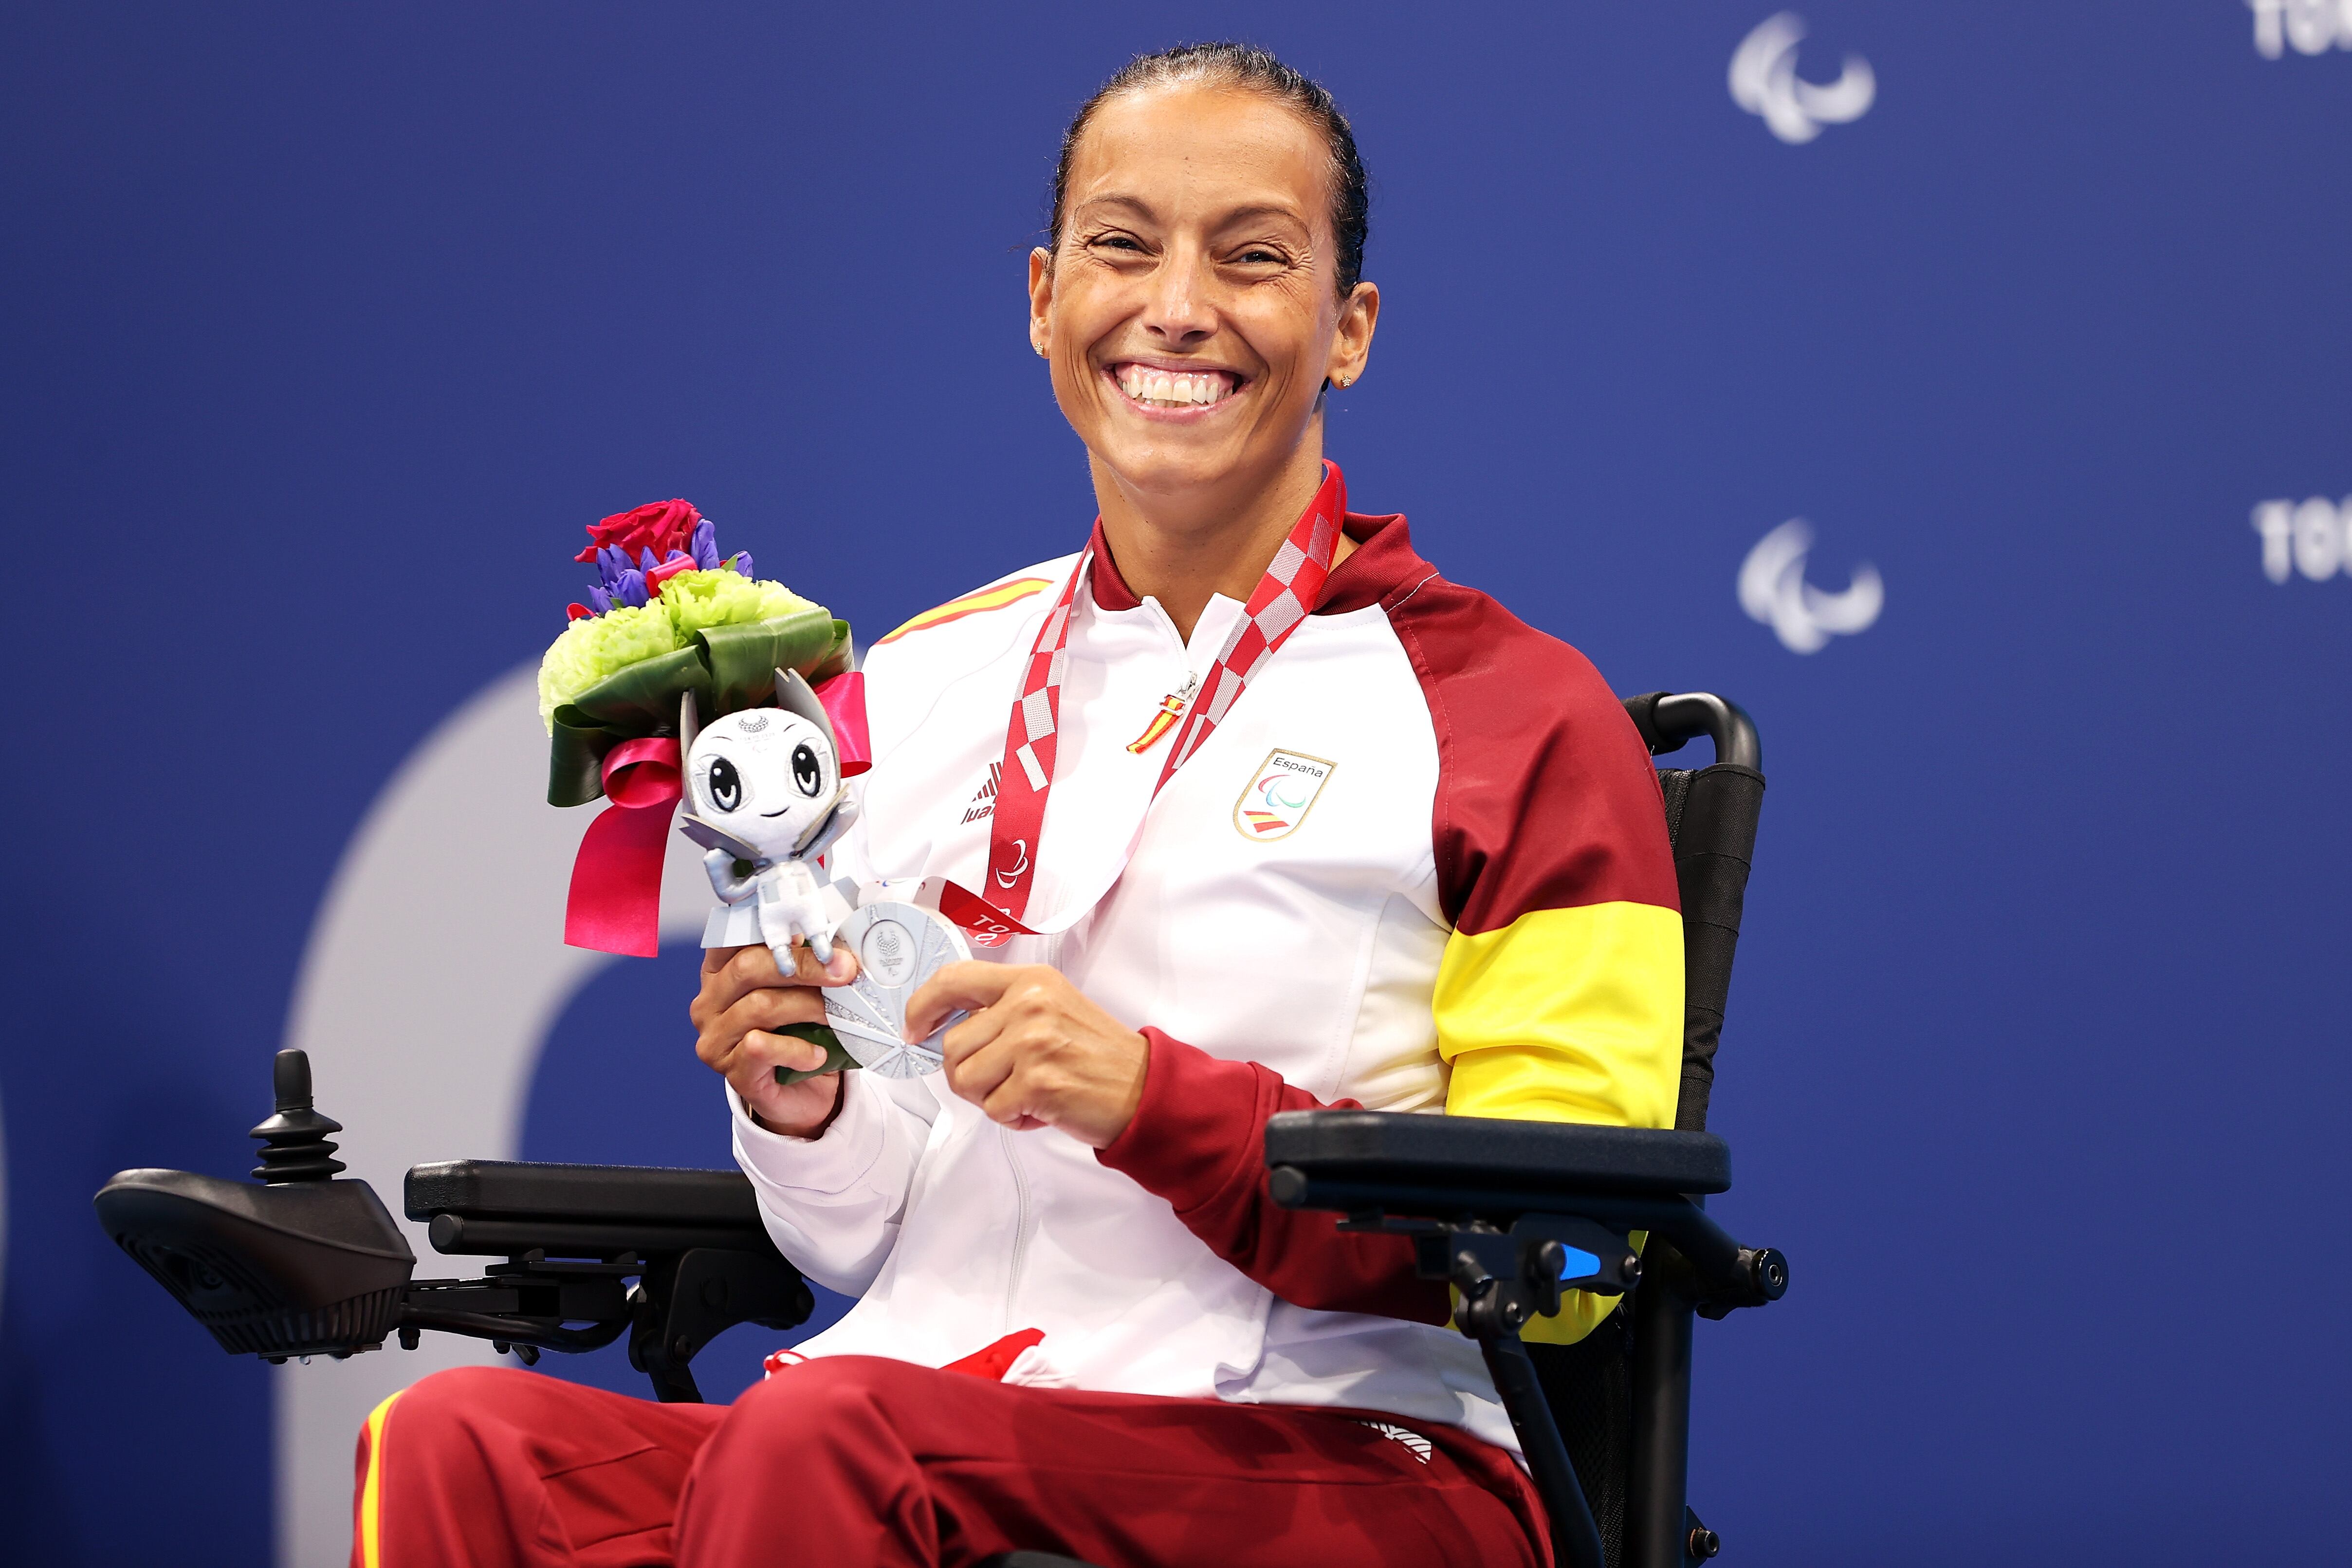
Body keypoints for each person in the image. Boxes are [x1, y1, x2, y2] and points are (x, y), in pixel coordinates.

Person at [355, 42, 1683, 1568]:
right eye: (1124, 245)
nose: (1177, 303)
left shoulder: (1513, 712)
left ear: (1348, 329)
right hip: (935, 1403)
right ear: (1046, 298)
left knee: (822, 1441)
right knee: (459, 1444)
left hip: (1348, 1449)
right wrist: (808, 1104)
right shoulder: (919, 683)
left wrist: (1150, 1100)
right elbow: (858, 1231)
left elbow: (1573, 1251)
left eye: (1253, 259)